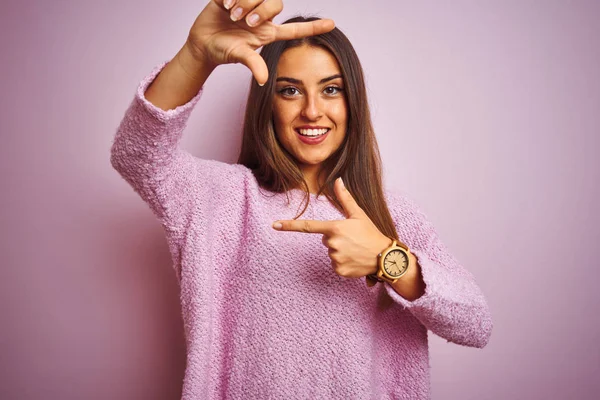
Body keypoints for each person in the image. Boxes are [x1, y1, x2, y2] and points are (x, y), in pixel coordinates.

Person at [110, 0, 493, 398]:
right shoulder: (219, 197)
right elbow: (136, 155)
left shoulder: (394, 215)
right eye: (290, 91)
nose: (312, 111)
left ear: (353, 102)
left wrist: (387, 259)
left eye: (331, 90)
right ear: (267, 104)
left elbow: (475, 324)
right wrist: (195, 56)